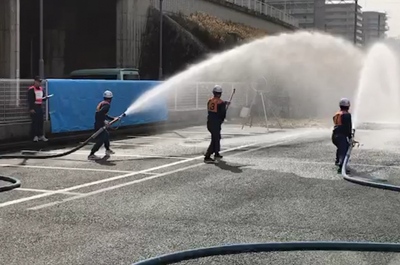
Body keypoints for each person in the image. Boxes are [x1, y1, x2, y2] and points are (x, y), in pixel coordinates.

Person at [88, 90, 117, 160]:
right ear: (111, 98)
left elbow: (102, 114)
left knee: (106, 135)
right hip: (100, 125)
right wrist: (105, 121)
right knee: (101, 140)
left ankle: (107, 150)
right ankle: (91, 154)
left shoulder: (102, 103)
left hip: (98, 124)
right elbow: (100, 114)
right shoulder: (107, 105)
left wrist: (112, 118)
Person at [204, 85, 229, 163]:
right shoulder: (221, 103)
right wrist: (222, 119)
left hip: (210, 122)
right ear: (220, 93)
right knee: (215, 139)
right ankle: (207, 155)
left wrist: (225, 103)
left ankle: (216, 152)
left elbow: (213, 108)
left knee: (217, 137)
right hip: (216, 123)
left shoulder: (210, 100)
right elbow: (222, 113)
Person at [332, 98, 353, 174]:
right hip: (341, 137)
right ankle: (342, 167)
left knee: (340, 148)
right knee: (344, 150)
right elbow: (348, 127)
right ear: (348, 106)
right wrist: (350, 137)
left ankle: (337, 160)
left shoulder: (337, 114)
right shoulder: (347, 115)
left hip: (334, 136)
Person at [27, 76, 49, 142]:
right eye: (38, 82)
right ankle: (34, 136)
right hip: (34, 107)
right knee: (35, 122)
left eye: (40, 82)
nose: (39, 83)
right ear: (35, 81)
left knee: (40, 121)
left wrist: (46, 98)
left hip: (39, 106)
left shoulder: (41, 89)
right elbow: (30, 99)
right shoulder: (31, 89)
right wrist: (31, 108)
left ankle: (40, 135)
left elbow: (42, 97)